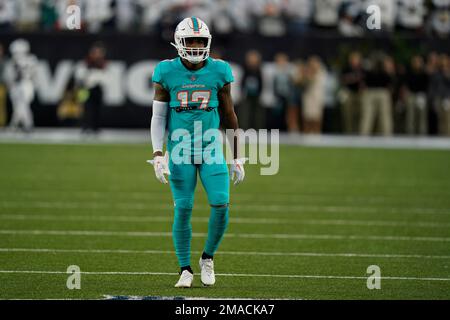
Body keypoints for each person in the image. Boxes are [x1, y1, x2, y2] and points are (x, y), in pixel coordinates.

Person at [149, 17, 246, 288]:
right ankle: (185, 269)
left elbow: (229, 115)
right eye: (189, 40)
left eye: (199, 41)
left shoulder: (220, 70)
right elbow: (158, 117)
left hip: (211, 148)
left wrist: (237, 154)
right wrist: (158, 153)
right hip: (179, 151)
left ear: (208, 42)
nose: (194, 46)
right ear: (178, 42)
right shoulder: (166, 71)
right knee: (183, 209)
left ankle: (208, 258)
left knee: (221, 205)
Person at [5, 39, 37, 132]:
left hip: (24, 84)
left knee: (22, 105)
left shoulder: (24, 60)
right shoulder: (31, 59)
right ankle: (20, 125)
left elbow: (19, 75)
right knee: (19, 106)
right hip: (22, 85)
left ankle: (25, 125)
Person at [75, 42, 107, 134]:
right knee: (86, 108)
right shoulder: (86, 62)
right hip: (86, 89)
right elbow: (79, 74)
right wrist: (87, 80)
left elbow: (105, 76)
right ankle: (85, 127)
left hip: (97, 88)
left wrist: (98, 79)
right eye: (95, 52)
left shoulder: (102, 63)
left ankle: (95, 127)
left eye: (99, 52)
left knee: (97, 108)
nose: (97, 54)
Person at [340, 51, 363, 134]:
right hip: (349, 93)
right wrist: (353, 78)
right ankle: (348, 133)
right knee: (348, 115)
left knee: (359, 115)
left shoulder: (361, 68)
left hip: (359, 94)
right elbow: (343, 80)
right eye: (353, 59)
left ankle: (357, 133)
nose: (355, 61)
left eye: (356, 59)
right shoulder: (346, 68)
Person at [239, 50, 264, 130]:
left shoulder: (259, 71)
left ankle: (258, 129)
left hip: (257, 95)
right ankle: (244, 128)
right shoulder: (245, 70)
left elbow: (262, 83)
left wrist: (260, 93)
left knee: (258, 114)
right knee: (245, 112)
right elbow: (242, 82)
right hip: (247, 95)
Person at [405, 55, 429, 135]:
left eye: (418, 62)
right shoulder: (409, 72)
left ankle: (422, 133)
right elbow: (407, 84)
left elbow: (427, 85)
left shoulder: (424, 73)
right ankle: (410, 133)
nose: (416, 64)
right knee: (410, 116)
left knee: (422, 117)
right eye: (415, 62)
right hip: (412, 95)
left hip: (421, 96)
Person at [302, 56, 326, 134]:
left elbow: (319, 83)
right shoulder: (306, 73)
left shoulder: (322, 72)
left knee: (317, 117)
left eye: (315, 63)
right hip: (308, 97)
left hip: (318, 97)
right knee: (307, 117)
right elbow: (304, 83)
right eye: (311, 63)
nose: (313, 65)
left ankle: (317, 134)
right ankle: (307, 134)